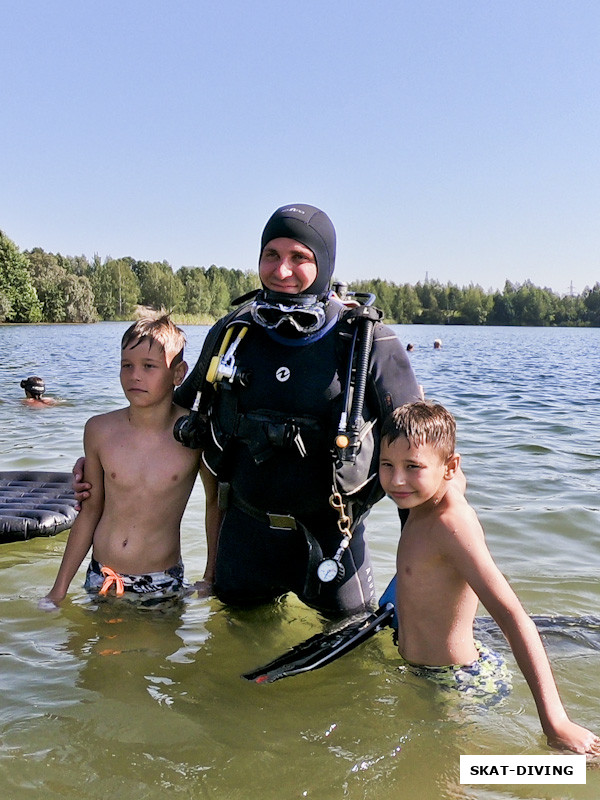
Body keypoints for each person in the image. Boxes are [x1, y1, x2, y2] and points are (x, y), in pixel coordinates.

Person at [173, 203, 424, 615]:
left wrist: (417, 571)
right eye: (271, 255)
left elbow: (421, 454)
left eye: (299, 258)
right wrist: (102, 456)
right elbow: (174, 409)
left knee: (349, 655)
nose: (281, 270)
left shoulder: (367, 342)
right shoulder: (233, 332)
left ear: (324, 263)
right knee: (229, 661)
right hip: (246, 538)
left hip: (335, 543)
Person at [378, 400, 600, 755]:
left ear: (449, 467)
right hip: (419, 670)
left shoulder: (451, 525)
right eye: (386, 465)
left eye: (412, 467)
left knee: (448, 780)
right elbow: (446, 477)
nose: (397, 480)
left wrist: (555, 721)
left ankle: (549, 781)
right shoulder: (429, 494)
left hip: (453, 682)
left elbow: (513, 617)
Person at [40, 317, 200, 609]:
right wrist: (58, 592)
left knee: (157, 655)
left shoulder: (195, 435)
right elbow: (89, 510)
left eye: (149, 366)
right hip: (102, 575)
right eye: (127, 365)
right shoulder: (99, 430)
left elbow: (216, 504)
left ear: (178, 373)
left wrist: (211, 577)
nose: (134, 376)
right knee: (96, 653)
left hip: (162, 579)